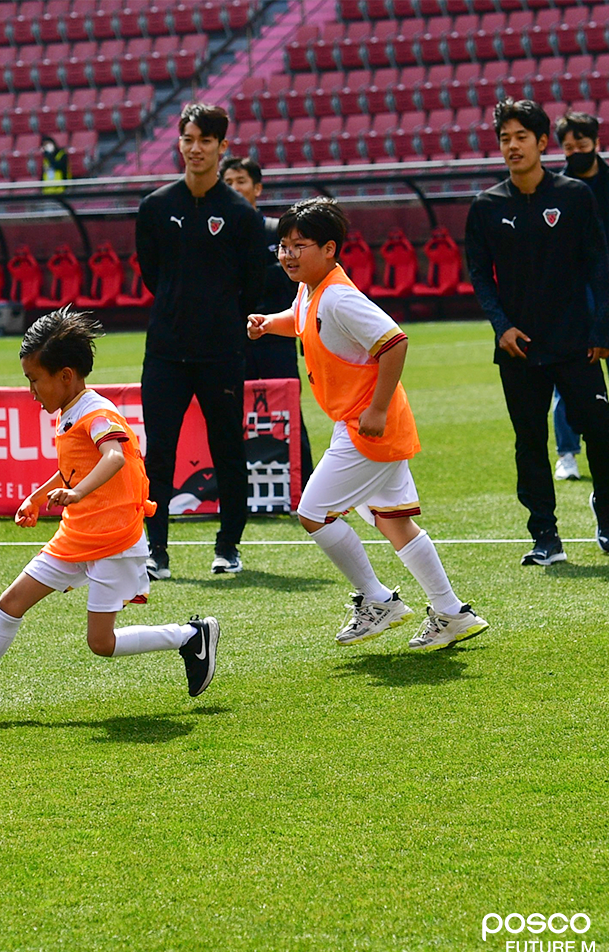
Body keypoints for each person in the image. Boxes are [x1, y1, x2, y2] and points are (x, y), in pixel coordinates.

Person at [0, 308, 218, 723]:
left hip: (110, 540)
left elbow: (112, 458)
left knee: (101, 643)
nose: (32, 391)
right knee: (12, 601)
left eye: (35, 380)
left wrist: (76, 491)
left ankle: (189, 636)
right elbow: (74, 466)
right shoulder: (70, 412)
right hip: (77, 535)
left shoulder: (97, 414)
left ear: (66, 376)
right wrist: (37, 497)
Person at [249, 198, 490, 649]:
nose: (288, 255)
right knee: (396, 525)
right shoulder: (310, 290)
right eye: (283, 246)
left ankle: (378, 600)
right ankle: (452, 612)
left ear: (330, 249)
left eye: (299, 245)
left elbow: (394, 342)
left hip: (367, 427)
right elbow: (300, 321)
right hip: (366, 423)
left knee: (312, 514)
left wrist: (376, 410)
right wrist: (269, 324)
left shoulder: (338, 296)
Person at [465, 99, 609, 564]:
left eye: (520, 137)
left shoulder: (575, 196)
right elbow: (478, 273)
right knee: (530, 439)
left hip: (576, 341)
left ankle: (608, 508)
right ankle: (545, 535)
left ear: (540, 142)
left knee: (600, 428)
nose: (512, 146)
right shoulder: (486, 206)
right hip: (519, 348)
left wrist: (601, 328)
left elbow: (598, 264)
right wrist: (502, 326)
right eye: (504, 138)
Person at [135, 103, 267, 578]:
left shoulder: (239, 215)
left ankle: (228, 544)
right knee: (160, 453)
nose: (195, 149)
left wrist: (217, 319)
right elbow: (153, 275)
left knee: (228, 449)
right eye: (188, 139)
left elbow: (251, 284)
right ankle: (157, 550)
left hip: (221, 352)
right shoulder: (155, 207)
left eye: (205, 141)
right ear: (180, 142)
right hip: (166, 352)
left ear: (222, 147)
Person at [549, 111, 609, 482]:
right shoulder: (555, 192)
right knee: (568, 374)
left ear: (597, 143)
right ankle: (567, 453)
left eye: (581, 145)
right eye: (568, 147)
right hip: (571, 301)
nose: (575, 152)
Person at [222, 154, 314, 483]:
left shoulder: (278, 230)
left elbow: (296, 274)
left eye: (241, 181)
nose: (234, 188)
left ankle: (304, 484)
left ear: (257, 188)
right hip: (233, 341)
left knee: (288, 411)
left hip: (277, 338)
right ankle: (238, 487)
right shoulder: (215, 233)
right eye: (228, 182)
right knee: (233, 415)